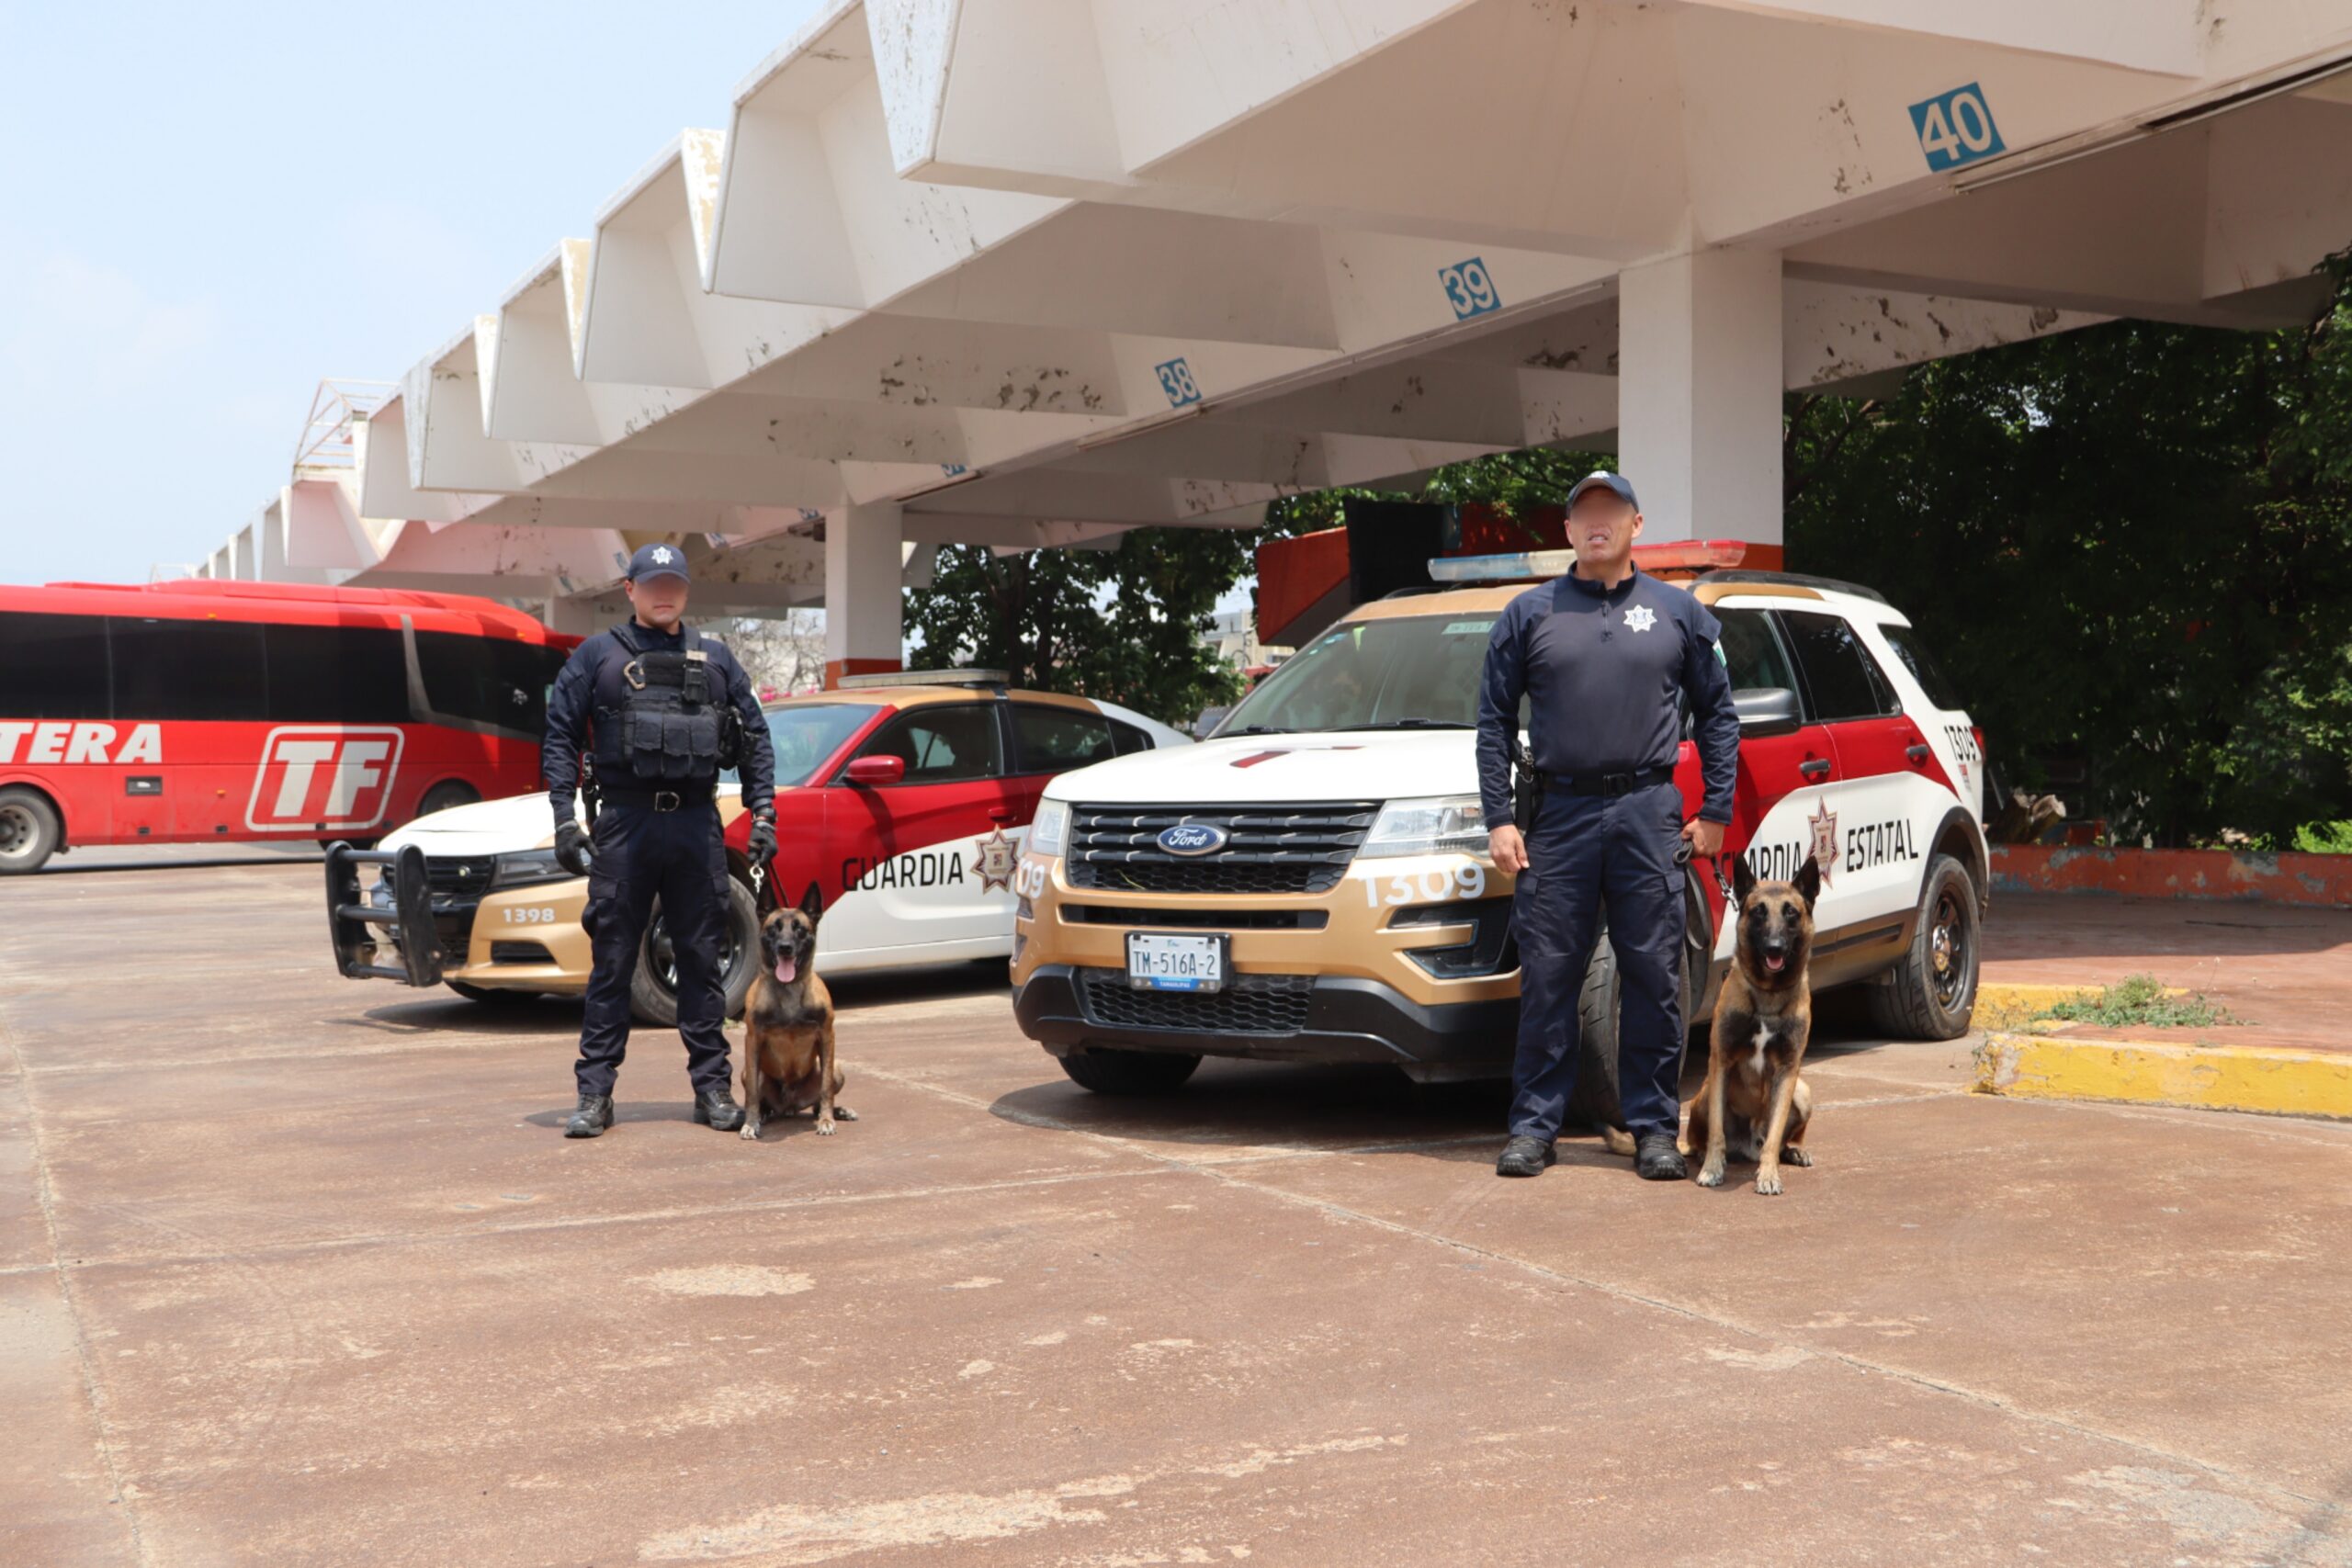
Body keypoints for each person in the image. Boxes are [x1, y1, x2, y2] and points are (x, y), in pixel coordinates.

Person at [1476, 471, 1740, 1180]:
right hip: (1557, 816)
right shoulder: (1528, 614)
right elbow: (1494, 722)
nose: (1598, 522)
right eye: (1584, 513)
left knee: (1654, 973)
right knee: (1550, 976)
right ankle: (1534, 1126)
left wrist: (1716, 807)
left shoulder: (1679, 613)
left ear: (1635, 524)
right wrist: (1499, 818)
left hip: (1647, 811)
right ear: (1567, 531)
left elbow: (1719, 714)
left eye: (1611, 511)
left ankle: (1653, 1127)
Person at [541, 543, 778, 1138]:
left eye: (673, 581)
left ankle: (713, 1089)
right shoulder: (596, 657)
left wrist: (765, 810)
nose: (662, 591)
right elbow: (559, 735)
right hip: (625, 823)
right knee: (613, 960)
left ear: (687, 589)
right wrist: (563, 819)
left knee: (702, 961)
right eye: (651, 583)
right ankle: (595, 1094)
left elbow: (755, 739)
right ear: (629, 589)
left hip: (696, 825)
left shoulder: (718, 659)